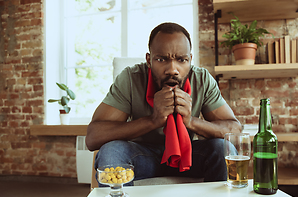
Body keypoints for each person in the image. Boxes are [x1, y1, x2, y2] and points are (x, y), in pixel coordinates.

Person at [86, 22, 242, 185]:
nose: (172, 69)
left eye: (182, 60)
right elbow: (93, 137)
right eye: (161, 59)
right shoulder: (131, 78)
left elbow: (234, 130)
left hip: (189, 157)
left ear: (190, 60)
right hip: (141, 157)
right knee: (111, 152)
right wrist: (152, 120)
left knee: (224, 149)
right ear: (149, 60)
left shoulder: (201, 79)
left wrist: (191, 121)